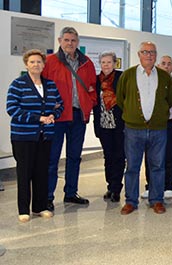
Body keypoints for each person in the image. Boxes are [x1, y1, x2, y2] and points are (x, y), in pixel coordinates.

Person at [117, 41, 172, 215]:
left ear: (156, 55)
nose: (149, 55)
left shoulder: (164, 77)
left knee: (157, 166)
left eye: (152, 52)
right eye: (145, 52)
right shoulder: (128, 75)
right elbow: (121, 99)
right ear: (139, 54)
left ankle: (157, 200)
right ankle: (131, 201)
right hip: (134, 129)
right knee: (133, 166)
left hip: (158, 129)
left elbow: (169, 100)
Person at [42, 26, 97, 211]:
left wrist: (89, 103)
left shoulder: (86, 63)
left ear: (77, 43)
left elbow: (92, 87)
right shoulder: (49, 61)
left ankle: (71, 193)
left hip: (78, 116)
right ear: (59, 41)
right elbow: (41, 86)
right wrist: (49, 107)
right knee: (52, 158)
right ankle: (47, 196)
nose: (70, 43)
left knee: (74, 157)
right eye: (66, 40)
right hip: (57, 118)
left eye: (73, 40)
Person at [7, 49, 64, 222]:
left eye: (39, 62)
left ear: (43, 65)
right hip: (23, 136)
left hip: (45, 136)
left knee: (41, 172)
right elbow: (12, 109)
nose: (36, 65)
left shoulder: (51, 85)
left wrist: (54, 115)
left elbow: (60, 105)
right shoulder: (18, 84)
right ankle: (23, 209)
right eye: (32, 62)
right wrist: (38, 118)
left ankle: (40, 207)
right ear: (26, 64)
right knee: (24, 173)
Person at [141, 55, 172, 199]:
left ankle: (168, 186)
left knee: (169, 155)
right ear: (158, 65)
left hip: (171, 123)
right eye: (163, 63)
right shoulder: (151, 81)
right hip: (154, 124)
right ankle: (150, 186)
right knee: (151, 157)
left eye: (169, 64)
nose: (166, 66)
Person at [93, 51, 124, 203]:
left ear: (115, 63)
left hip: (119, 124)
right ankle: (110, 186)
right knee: (108, 157)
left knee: (119, 157)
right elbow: (95, 104)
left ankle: (117, 188)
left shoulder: (121, 78)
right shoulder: (96, 80)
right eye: (103, 62)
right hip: (103, 124)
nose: (106, 65)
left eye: (109, 62)